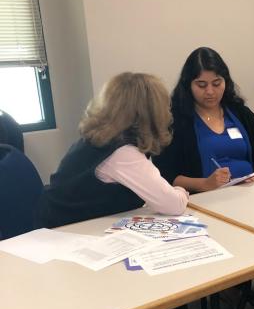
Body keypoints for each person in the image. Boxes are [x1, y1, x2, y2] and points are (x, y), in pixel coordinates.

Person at [36, 72, 188, 228]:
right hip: (63, 231)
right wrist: (181, 191)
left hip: (62, 220)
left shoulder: (102, 137)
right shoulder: (123, 152)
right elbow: (174, 205)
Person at [155, 47, 254, 192]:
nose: (210, 92)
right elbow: (166, 175)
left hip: (249, 194)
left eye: (217, 84)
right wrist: (205, 184)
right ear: (188, 85)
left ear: (226, 82)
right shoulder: (174, 122)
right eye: (201, 85)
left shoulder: (243, 114)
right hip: (203, 200)